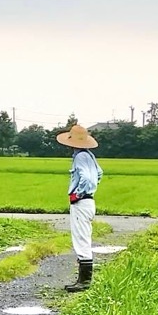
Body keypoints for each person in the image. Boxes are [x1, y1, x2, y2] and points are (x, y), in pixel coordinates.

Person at [56, 124, 103, 292]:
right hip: (89, 202)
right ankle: (83, 280)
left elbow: (87, 178)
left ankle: (84, 281)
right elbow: (99, 174)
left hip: (82, 202)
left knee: (81, 239)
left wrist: (79, 193)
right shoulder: (89, 155)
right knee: (84, 237)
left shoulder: (80, 157)